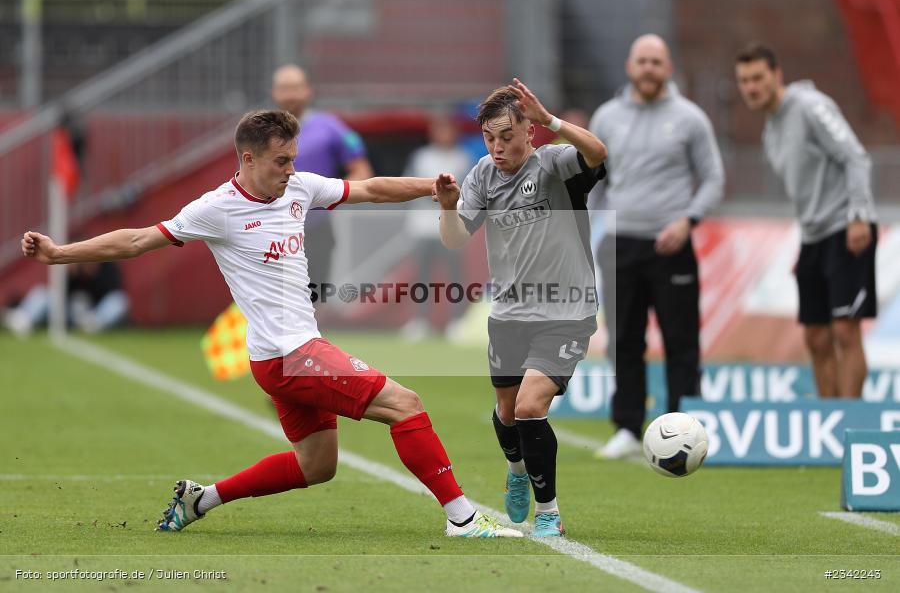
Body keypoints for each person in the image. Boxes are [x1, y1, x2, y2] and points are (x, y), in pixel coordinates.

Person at [20, 109, 520, 539]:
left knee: (317, 466)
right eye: (281, 161)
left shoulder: (298, 186)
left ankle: (201, 500)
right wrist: (60, 253)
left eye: (293, 159)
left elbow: (367, 188)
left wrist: (432, 189)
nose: (290, 169)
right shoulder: (216, 209)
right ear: (248, 159)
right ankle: (462, 518)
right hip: (289, 355)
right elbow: (135, 241)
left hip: (282, 356)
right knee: (405, 404)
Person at [435, 79, 608, 537]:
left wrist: (551, 119)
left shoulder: (553, 163)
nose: (496, 147)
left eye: (506, 137)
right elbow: (454, 239)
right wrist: (450, 209)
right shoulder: (481, 175)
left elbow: (598, 152)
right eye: (490, 138)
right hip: (509, 314)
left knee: (531, 406)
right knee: (507, 413)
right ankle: (516, 472)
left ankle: (548, 511)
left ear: (529, 132)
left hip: (565, 312)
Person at [589, 34, 725, 460]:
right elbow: (592, 180)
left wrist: (688, 221)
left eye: (656, 61)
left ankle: (686, 427)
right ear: (630, 66)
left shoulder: (690, 118)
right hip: (620, 243)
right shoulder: (607, 117)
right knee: (624, 339)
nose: (648, 68)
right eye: (642, 61)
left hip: (671, 245)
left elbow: (715, 178)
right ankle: (627, 427)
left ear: (668, 68)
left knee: (681, 339)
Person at [734, 43, 877, 399]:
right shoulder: (770, 132)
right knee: (815, 336)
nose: (751, 87)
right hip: (814, 238)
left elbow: (856, 157)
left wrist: (858, 215)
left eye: (757, 78)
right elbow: (807, 191)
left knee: (846, 330)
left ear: (776, 75)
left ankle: (850, 422)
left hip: (847, 227)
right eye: (744, 81)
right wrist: (805, 244)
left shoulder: (810, 106)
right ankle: (826, 420)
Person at [271, 64, 374, 298]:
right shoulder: (261, 131)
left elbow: (362, 170)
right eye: (284, 88)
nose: (290, 95)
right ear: (274, 93)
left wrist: (329, 196)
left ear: (308, 91)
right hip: (271, 229)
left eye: (295, 88)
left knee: (314, 298)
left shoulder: (331, 127)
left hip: (315, 230)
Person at [400, 113, 475, 341]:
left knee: (455, 277)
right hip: (422, 228)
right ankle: (420, 322)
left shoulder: (463, 158)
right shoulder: (419, 157)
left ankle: (456, 323)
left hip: (452, 230)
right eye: (438, 130)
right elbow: (406, 187)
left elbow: (470, 193)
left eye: (447, 129)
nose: (443, 135)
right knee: (422, 277)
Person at [3, 262, 129, 336]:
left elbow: (112, 291)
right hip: (70, 314)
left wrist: (92, 274)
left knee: (119, 300)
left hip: (95, 314)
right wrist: (71, 274)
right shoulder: (73, 270)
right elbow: (60, 292)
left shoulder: (108, 268)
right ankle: (24, 318)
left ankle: (93, 326)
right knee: (43, 293)